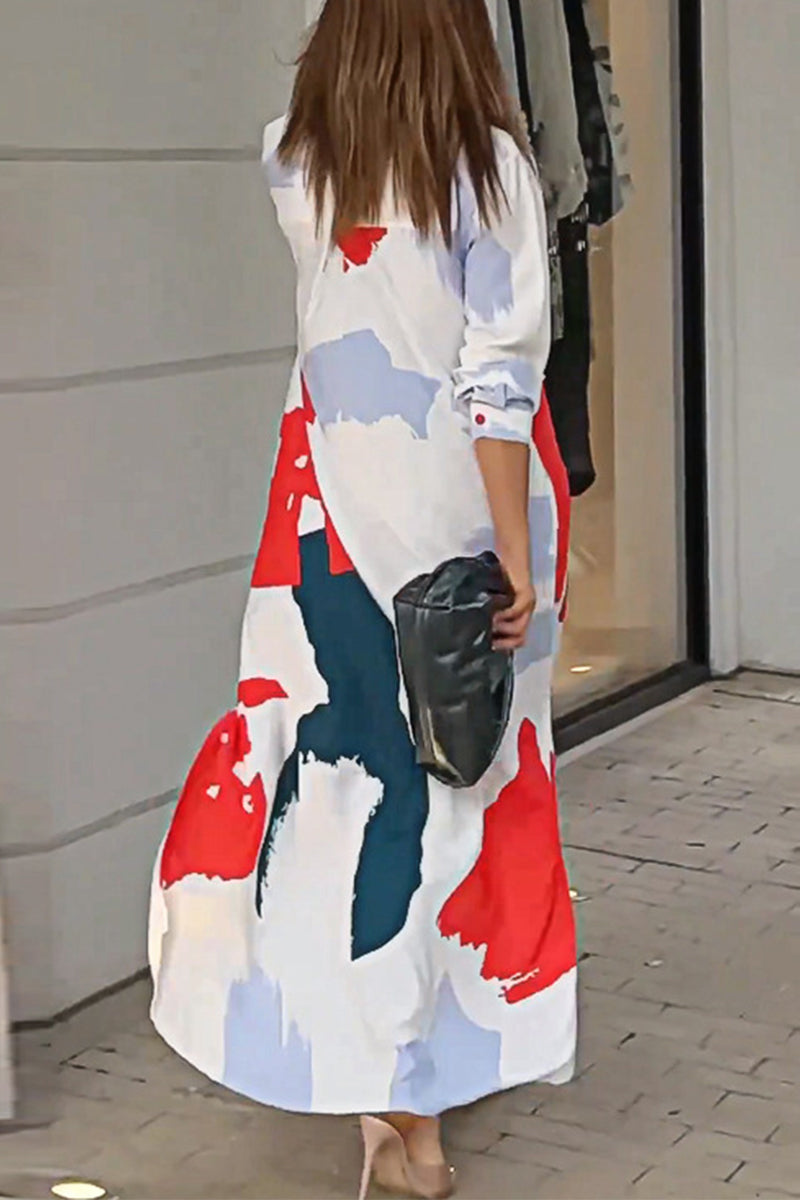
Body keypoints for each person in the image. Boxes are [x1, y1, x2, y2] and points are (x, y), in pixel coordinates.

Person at [148, 1, 577, 1196]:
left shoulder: (299, 158)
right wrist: (516, 557)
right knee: (458, 802)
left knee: (341, 800)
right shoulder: (487, 171)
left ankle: (377, 1099)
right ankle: (415, 1111)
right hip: (454, 536)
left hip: (321, 525)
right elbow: (496, 382)